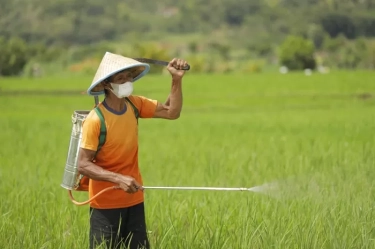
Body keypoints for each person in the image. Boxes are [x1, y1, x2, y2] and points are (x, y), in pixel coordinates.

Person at [77, 52, 188, 249]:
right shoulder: (96, 120)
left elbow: (172, 112)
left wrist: (176, 80)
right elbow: (83, 164)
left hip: (134, 200)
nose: (127, 81)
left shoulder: (134, 104)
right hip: (105, 205)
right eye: (120, 78)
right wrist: (118, 179)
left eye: (128, 76)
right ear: (106, 85)